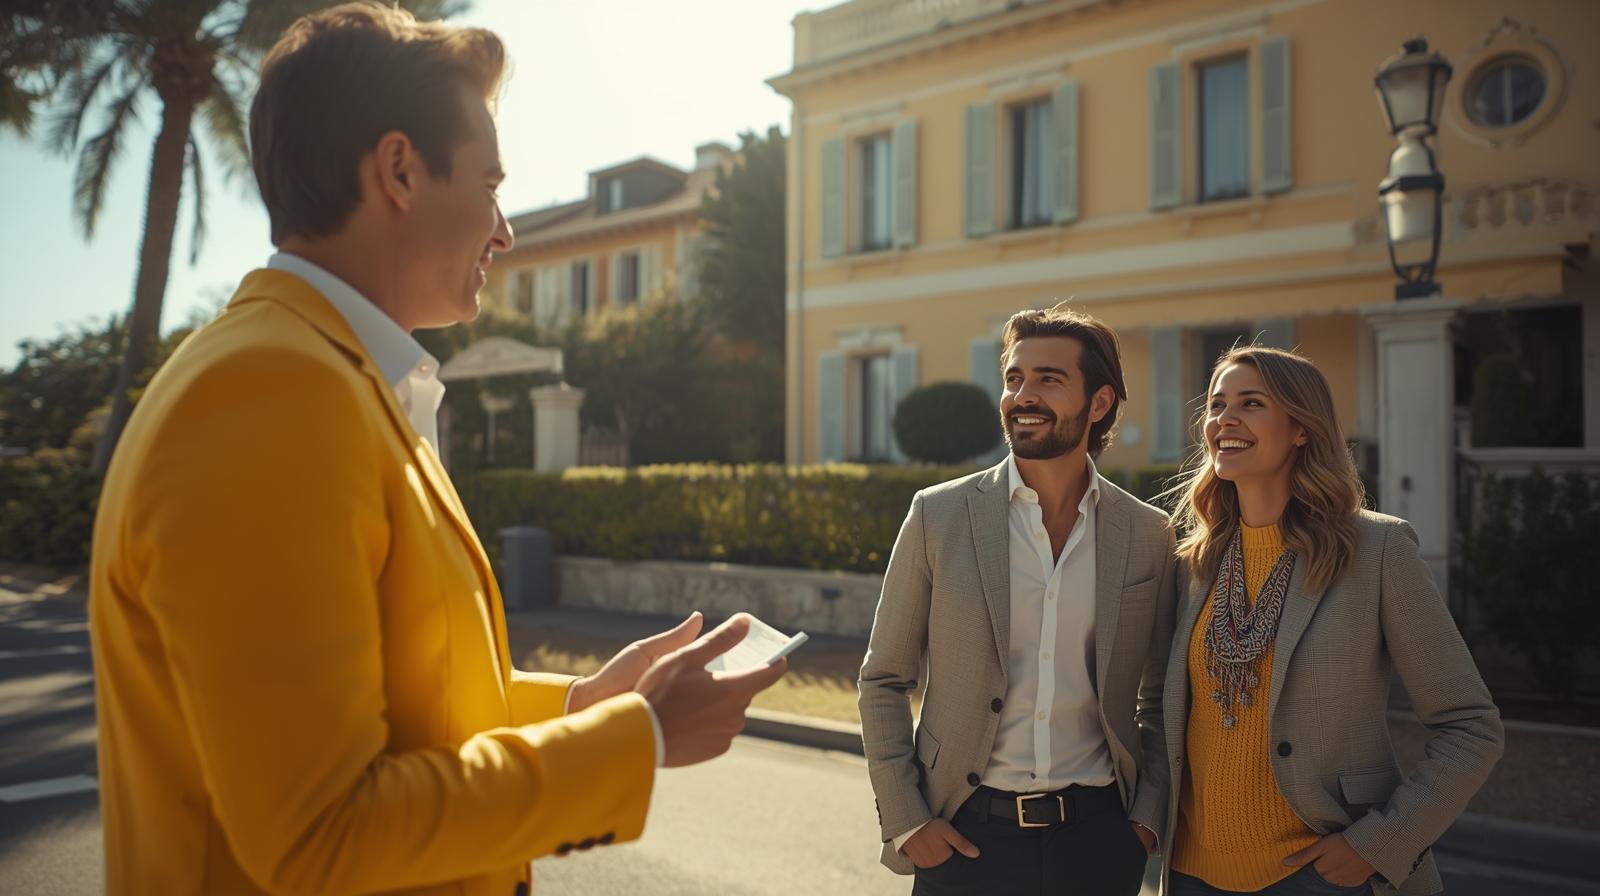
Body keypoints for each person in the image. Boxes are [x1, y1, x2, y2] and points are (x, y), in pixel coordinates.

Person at [87, 4, 784, 893]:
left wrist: (582, 708)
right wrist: (635, 741)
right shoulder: (269, 393)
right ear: (399, 171)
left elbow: (408, 707)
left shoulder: (331, 380)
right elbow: (320, 832)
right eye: (491, 186)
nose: (506, 232)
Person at [1158, 346, 1503, 896]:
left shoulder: (1378, 549)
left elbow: (1471, 727)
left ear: (1301, 428)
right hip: (1188, 874)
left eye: (1251, 403)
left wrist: (1379, 844)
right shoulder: (1190, 562)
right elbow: (1159, 711)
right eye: (1218, 404)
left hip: (1321, 876)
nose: (1226, 419)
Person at [859, 305, 1177, 895]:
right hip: (965, 839)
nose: (1021, 396)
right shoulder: (938, 515)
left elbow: (1159, 695)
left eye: (1048, 379)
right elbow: (883, 678)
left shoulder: (1147, 534)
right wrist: (908, 820)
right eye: (1013, 378)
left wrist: (1145, 822)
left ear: (1099, 403)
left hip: (1100, 841)